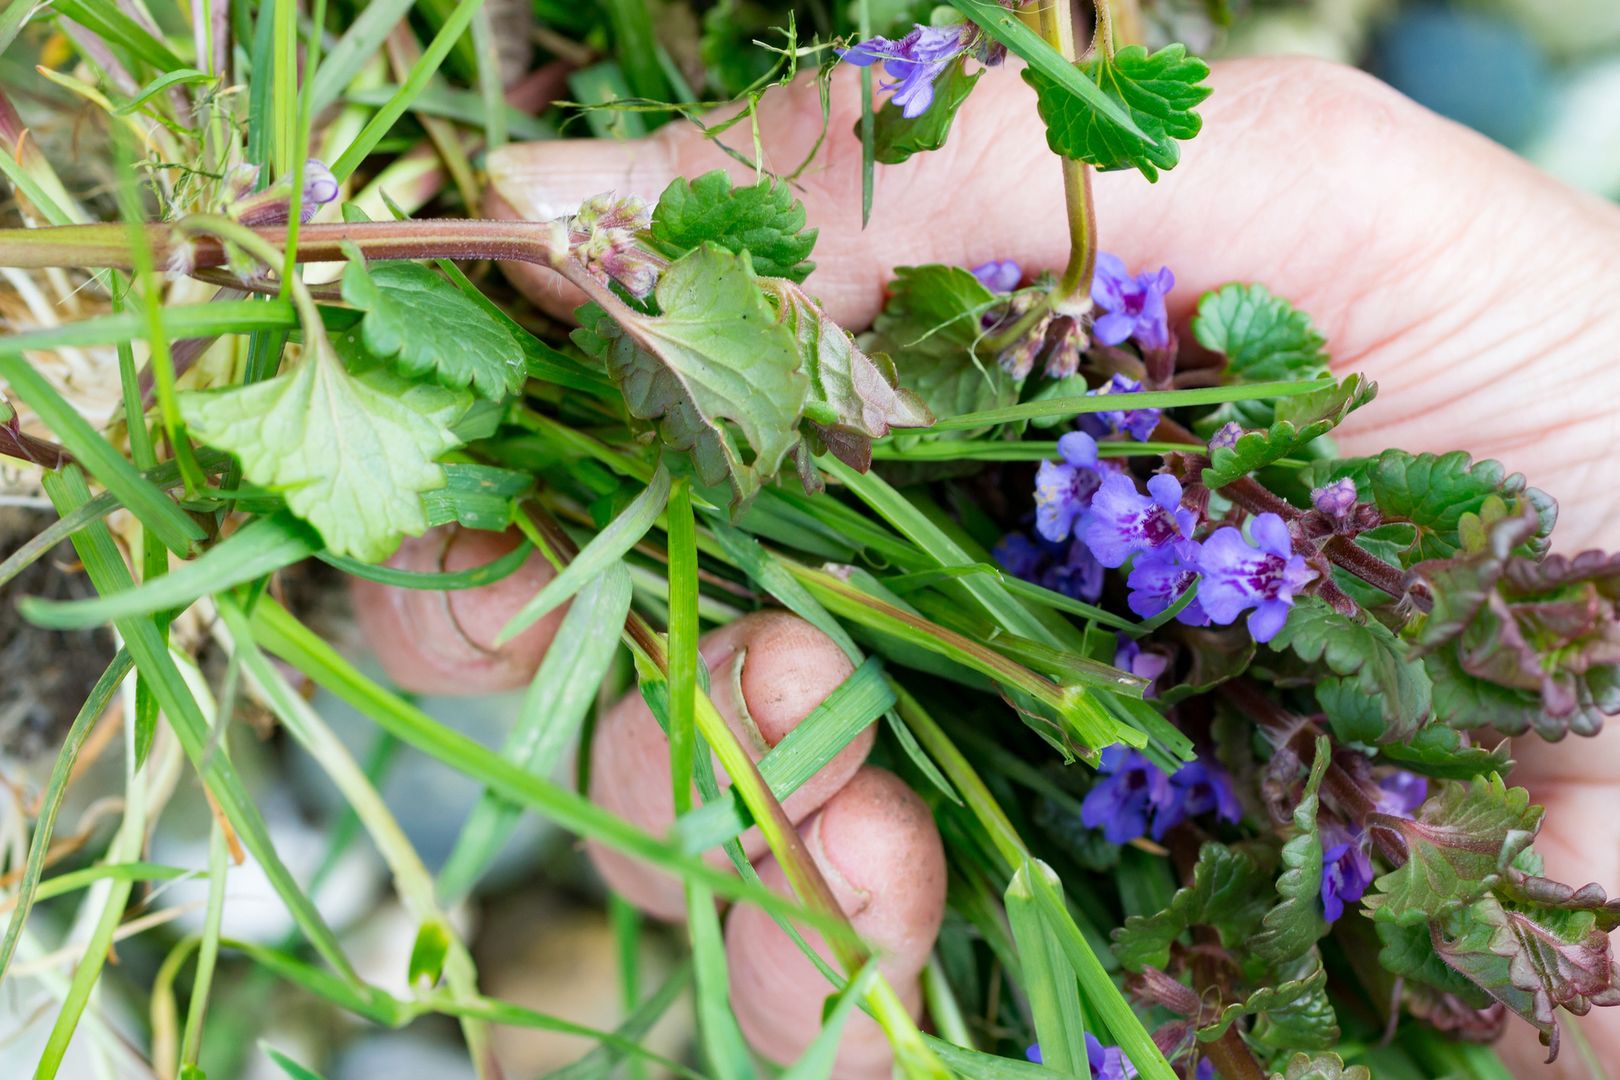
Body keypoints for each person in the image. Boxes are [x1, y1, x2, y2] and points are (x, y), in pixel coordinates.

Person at [354, 57, 1620, 1077]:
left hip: (1123, 557)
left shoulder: (1236, 603)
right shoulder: (1254, 516)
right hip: (1099, 447)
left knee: (829, 813)